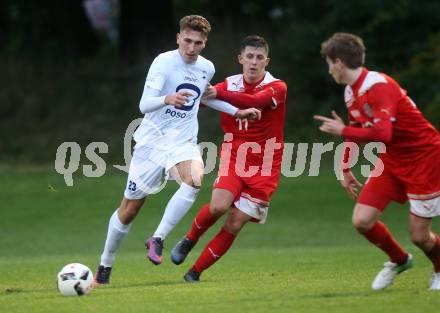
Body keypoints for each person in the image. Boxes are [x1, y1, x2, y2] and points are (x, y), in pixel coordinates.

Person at [94, 15, 261, 284]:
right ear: (178, 38)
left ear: (204, 43)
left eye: (198, 42)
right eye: (187, 41)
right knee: (129, 210)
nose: (191, 47)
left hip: (182, 142)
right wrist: (167, 98)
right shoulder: (163, 62)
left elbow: (205, 99)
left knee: (194, 180)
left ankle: (157, 238)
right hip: (151, 143)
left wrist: (237, 110)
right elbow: (144, 104)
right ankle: (105, 264)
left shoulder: (206, 68)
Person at [314, 32, 440, 290]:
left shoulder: (379, 86)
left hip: (424, 159)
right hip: (392, 161)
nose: (329, 71)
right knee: (362, 220)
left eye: (329, 64)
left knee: (419, 236)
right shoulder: (352, 92)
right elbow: (355, 128)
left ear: (338, 62)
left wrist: (343, 131)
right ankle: (400, 259)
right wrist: (345, 167)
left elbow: (383, 134)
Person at [170, 35, 288, 282]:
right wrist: (179, 98)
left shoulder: (277, 87)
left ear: (266, 61)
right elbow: (197, 102)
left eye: (259, 58)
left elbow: (255, 101)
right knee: (219, 206)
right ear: (240, 59)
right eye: (249, 57)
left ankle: (195, 272)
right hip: (235, 156)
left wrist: (216, 94)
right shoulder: (228, 84)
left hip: (266, 166)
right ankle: (189, 239)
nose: (253, 63)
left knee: (234, 224)